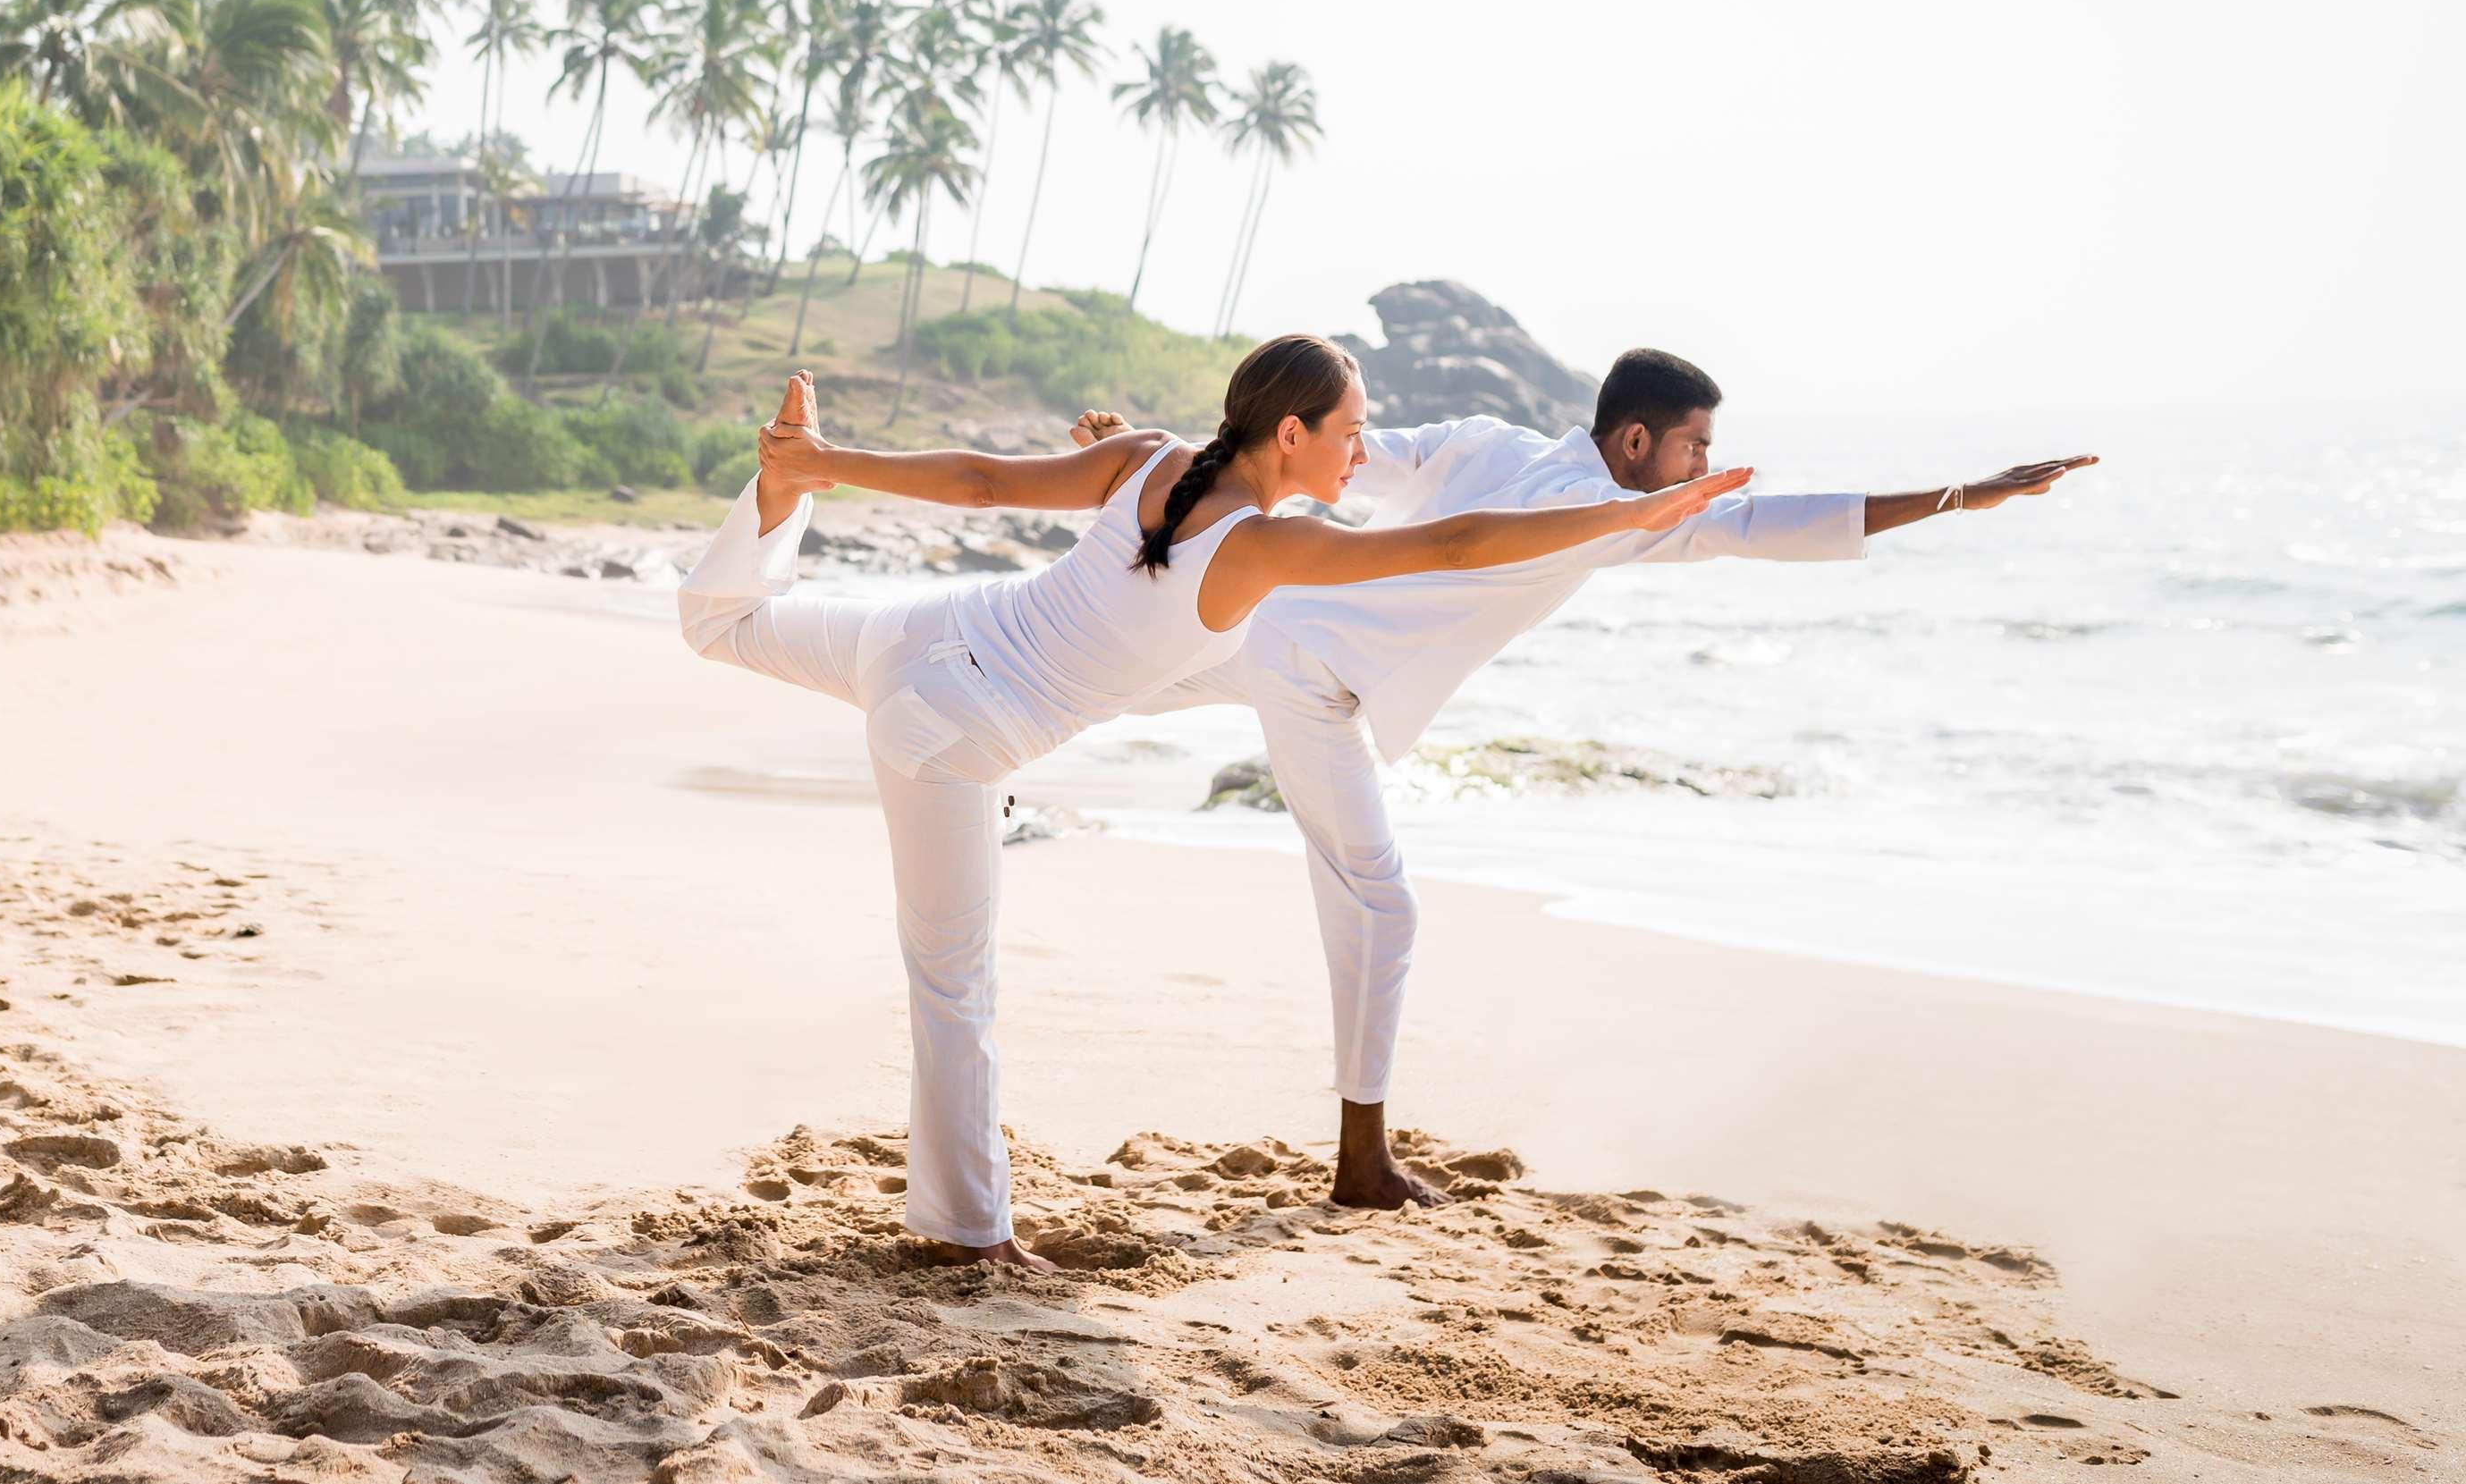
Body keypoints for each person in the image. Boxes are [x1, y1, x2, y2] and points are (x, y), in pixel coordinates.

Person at [680, 335, 1753, 1269]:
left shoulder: (1144, 454)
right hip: (950, 734)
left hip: (918, 630)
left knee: (719, 623)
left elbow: (977, 481)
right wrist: (1629, 515)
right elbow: (1455, 544)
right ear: (1291, 432)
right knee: (954, 987)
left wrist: (824, 465)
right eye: (1351, 428)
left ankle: (779, 488)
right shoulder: (1266, 543)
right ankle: (970, 1227)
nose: (1362, 448)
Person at [1082, 345, 2096, 1208]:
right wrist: (1963, 494)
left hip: (1272, 624)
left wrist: (1169, 455)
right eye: (1696, 444)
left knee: (1119, 673)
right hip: (1308, 671)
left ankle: (992, 719)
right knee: (1381, 908)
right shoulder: (1616, 513)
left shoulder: (1493, 438)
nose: (1708, 464)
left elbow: (1319, 450)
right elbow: (1764, 524)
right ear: (1638, 441)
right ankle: (1362, 1162)